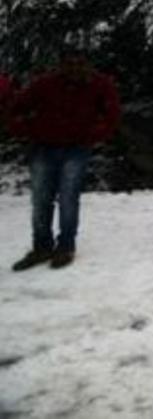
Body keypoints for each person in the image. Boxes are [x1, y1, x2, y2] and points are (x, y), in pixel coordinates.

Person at [9, 48, 121, 271]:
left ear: (87, 64)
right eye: (69, 64)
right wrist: (27, 130)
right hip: (44, 148)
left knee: (69, 197)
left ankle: (66, 246)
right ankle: (41, 246)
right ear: (61, 65)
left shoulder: (99, 85)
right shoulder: (44, 85)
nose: (75, 69)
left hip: (77, 149)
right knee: (41, 199)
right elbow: (15, 109)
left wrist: (93, 135)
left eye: (79, 63)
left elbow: (112, 115)